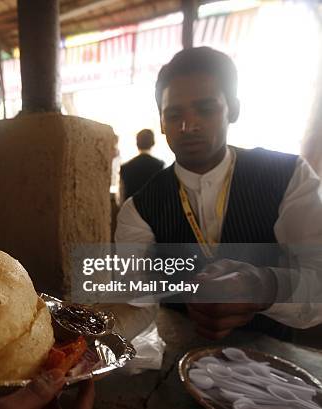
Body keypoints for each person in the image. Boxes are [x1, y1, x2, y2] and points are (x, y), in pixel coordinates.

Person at [114, 46, 322, 339]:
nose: (188, 126)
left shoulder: (288, 176)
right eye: (174, 115)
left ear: (233, 109)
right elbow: (132, 293)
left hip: (275, 362)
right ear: (161, 122)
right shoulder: (140, 208)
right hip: (184, 353)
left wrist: (265, 285)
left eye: (206, 109)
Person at [119, 129, 164, 201]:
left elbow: (121, 197)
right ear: (153, 143)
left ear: (137, 143)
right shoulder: (161, 166)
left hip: (132, 210)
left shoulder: (125, 167)